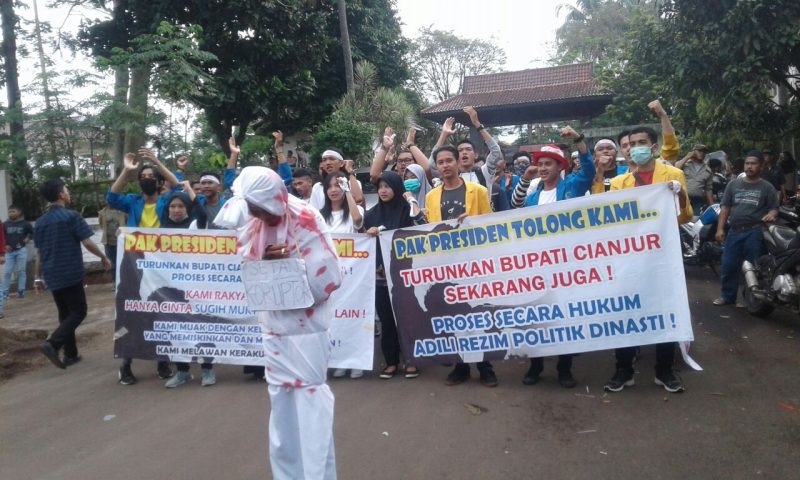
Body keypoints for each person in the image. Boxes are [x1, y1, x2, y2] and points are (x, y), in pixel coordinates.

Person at [214, 166, 341, 480]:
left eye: (261, 209)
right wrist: (264, 261)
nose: (258, 215)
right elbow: (248, 264)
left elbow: (329, 276)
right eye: (253, 210)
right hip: (273, 327)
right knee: (281, 403)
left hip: (308, 329)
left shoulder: (306, 218)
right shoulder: (252, 220)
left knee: (311, 403)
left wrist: (289, 263)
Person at [603, 125, 692, 394]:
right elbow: (612, 221)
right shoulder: (619, 183)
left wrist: (680, 194)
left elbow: (685, 216)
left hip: (663, 255)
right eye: (631, 144)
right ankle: (623, 370)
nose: (635, 148)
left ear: (654, 147)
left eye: (641, 142)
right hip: (630, 257)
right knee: (626, 311)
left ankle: (664, 371)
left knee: (665, 310)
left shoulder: (673, 175)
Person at [510, 127, 595, 388]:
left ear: (561, 166)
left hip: (566, 266)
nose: (543, 168)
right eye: (540, 164)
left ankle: (564, 368)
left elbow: (589, 170)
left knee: (565, 317)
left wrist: (578, 139)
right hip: (537, 267)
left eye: (548, 164)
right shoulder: (534, 197)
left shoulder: (572, 187)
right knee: (537, 318)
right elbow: (516, 210)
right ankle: (535, 366)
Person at [425, 145, 497, 386]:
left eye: (449, 160)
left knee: (478, 314)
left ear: (457, 162)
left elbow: (490, 224)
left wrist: (473, 222)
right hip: (445, 266)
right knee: (453, 316)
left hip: (473, 264)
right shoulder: (431, 197)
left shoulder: (478, 191)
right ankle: (461, 365)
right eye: (440, 162)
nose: (445, 165)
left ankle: (485, 366)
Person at [107, 148, 179, 384]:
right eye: (143, 177)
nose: (147, 179)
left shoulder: (167, 201)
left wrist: (156, 161)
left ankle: (162, 361)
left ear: (159, 182)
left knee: (161, 309)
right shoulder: (133, 202)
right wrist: (126, 171)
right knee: (131, 310)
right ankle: (126, 364)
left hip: (162, 264)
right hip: (134, 264)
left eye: (151, 176)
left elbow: (177, 186)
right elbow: (112, 197)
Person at [34, 179, 111, 369]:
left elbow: (39, 253)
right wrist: (103, 256)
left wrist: (37, 277)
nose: (68, 193)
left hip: (52, 274)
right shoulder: (71, 216)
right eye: (66, 190)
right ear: (61, 195)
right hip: (70, 271)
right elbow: (87, 242)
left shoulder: (41, 222)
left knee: (65, 313)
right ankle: (53, 343)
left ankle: (71, 354)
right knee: (78, 312)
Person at [365, 171, 425, 380]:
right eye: (380, 187)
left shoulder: (406, 211)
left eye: (388, 186)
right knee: (387, 320)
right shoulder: (371, 215)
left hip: (404, 276)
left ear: (397, 188)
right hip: (380, 279)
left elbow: (421, 225)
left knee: (407, 318)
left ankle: (412, 360)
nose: (383, 191)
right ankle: (391, 361)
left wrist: (411, 200)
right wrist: (369, 233)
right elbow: (364, 244)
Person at [159, 184, 217, 387]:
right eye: (172, 206)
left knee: (202, 328)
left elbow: (202, 214)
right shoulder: (161, 230)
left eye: (181, 206)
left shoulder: (195, 226)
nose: (176, 210)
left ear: (187, 208)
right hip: (172, 290)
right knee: (177, 331)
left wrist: (190, 191)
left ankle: (207, 370)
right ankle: (182, 371)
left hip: (197, 288)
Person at [713, 152, 778, 307]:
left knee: (754, 269)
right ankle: (727, 296)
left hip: (755, 232)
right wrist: (720, 229)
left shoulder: (767, 187)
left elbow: (774, 208)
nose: (749, 166)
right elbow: (725, 208)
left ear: (761, 166)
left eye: (753, 163)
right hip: (734, 231)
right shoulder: (733, 184)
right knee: (729, 265)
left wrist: (771, 214)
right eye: (747, 163)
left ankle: (748, 299)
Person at [319, 172, 365, 379]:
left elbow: (358, 221)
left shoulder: (356, 210)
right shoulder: (319, 216)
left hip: (353, 275)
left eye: (338, 185)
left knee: (353, 317)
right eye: (330, 186)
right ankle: (338, 360)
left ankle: (356, 361)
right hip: (329, 277)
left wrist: (348, 191)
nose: (333, 190)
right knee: (333, 319)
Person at [429, 107, 502, 205]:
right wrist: (444, 134)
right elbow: (432, 164)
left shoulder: (484, 172)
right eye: (460, 150)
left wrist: (477, 124)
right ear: (456, 158)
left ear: (475, 155)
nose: (464, 152)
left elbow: (496, 152)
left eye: (468, 149)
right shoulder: (451, 175)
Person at [2, 205, 33, 301]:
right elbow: (1, 237)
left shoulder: (25, 224)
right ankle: (5, 292)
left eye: (13, 211)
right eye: (10, 212)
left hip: (21, 250)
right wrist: (5, 245)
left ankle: (21, 291)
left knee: (21, 271)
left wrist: (28, 238)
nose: (11, 213)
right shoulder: (5, 224)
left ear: (19, 212)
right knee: (7, 272)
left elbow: (33, 232)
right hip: (9, 252)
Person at [675, 144, 714, 214]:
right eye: (699, 151)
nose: (702, 153)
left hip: (697, 201)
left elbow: (708, 190)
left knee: (695, 219)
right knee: (681, 217)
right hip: (682, 197)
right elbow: (675, 169)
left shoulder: (708, 170)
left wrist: (712, 206)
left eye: (704, 152)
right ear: (693, 152)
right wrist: (687, 157)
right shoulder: (685, 163)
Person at [97, 202, 125, 282]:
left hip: (120, 241)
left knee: (122, 261)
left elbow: (126, 223)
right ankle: (114, 280)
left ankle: (122, 280)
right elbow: (101, 224)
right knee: (111, 262)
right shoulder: (102, 212)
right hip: (108, 242)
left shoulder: (122, 211)